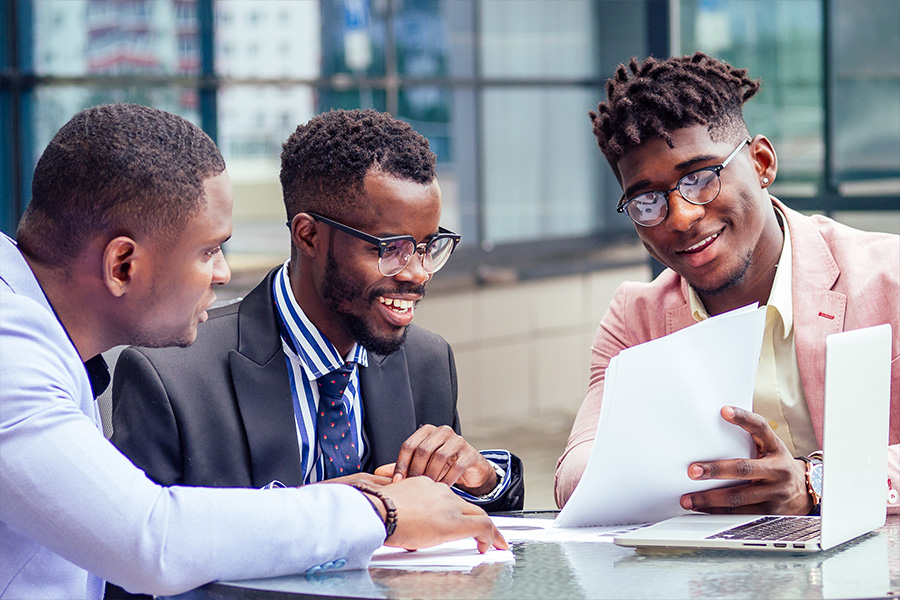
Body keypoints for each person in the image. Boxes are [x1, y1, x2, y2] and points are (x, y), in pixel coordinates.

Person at [0, 104, 505, 600]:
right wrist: (381, 512)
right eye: (208, 250)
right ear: (122, 264)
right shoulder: (11, 357)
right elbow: (151, 540)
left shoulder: (33, 334)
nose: (222, 274)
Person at [109, 109, 523, 509]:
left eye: (428, 247)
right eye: (390, 249)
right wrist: (323, 510)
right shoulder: (171, 377)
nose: (419, 273)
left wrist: (483, 482)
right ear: (308, 236)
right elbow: (138, 561)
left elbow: (464, 539)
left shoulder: (427, 361)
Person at [555, 53, 899, 515]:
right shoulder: (635, 319)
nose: (682, 217)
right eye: (648, 200)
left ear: (761, 162)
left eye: (700, 178)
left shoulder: (888, 278)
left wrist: (814, 483)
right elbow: (577, 479)